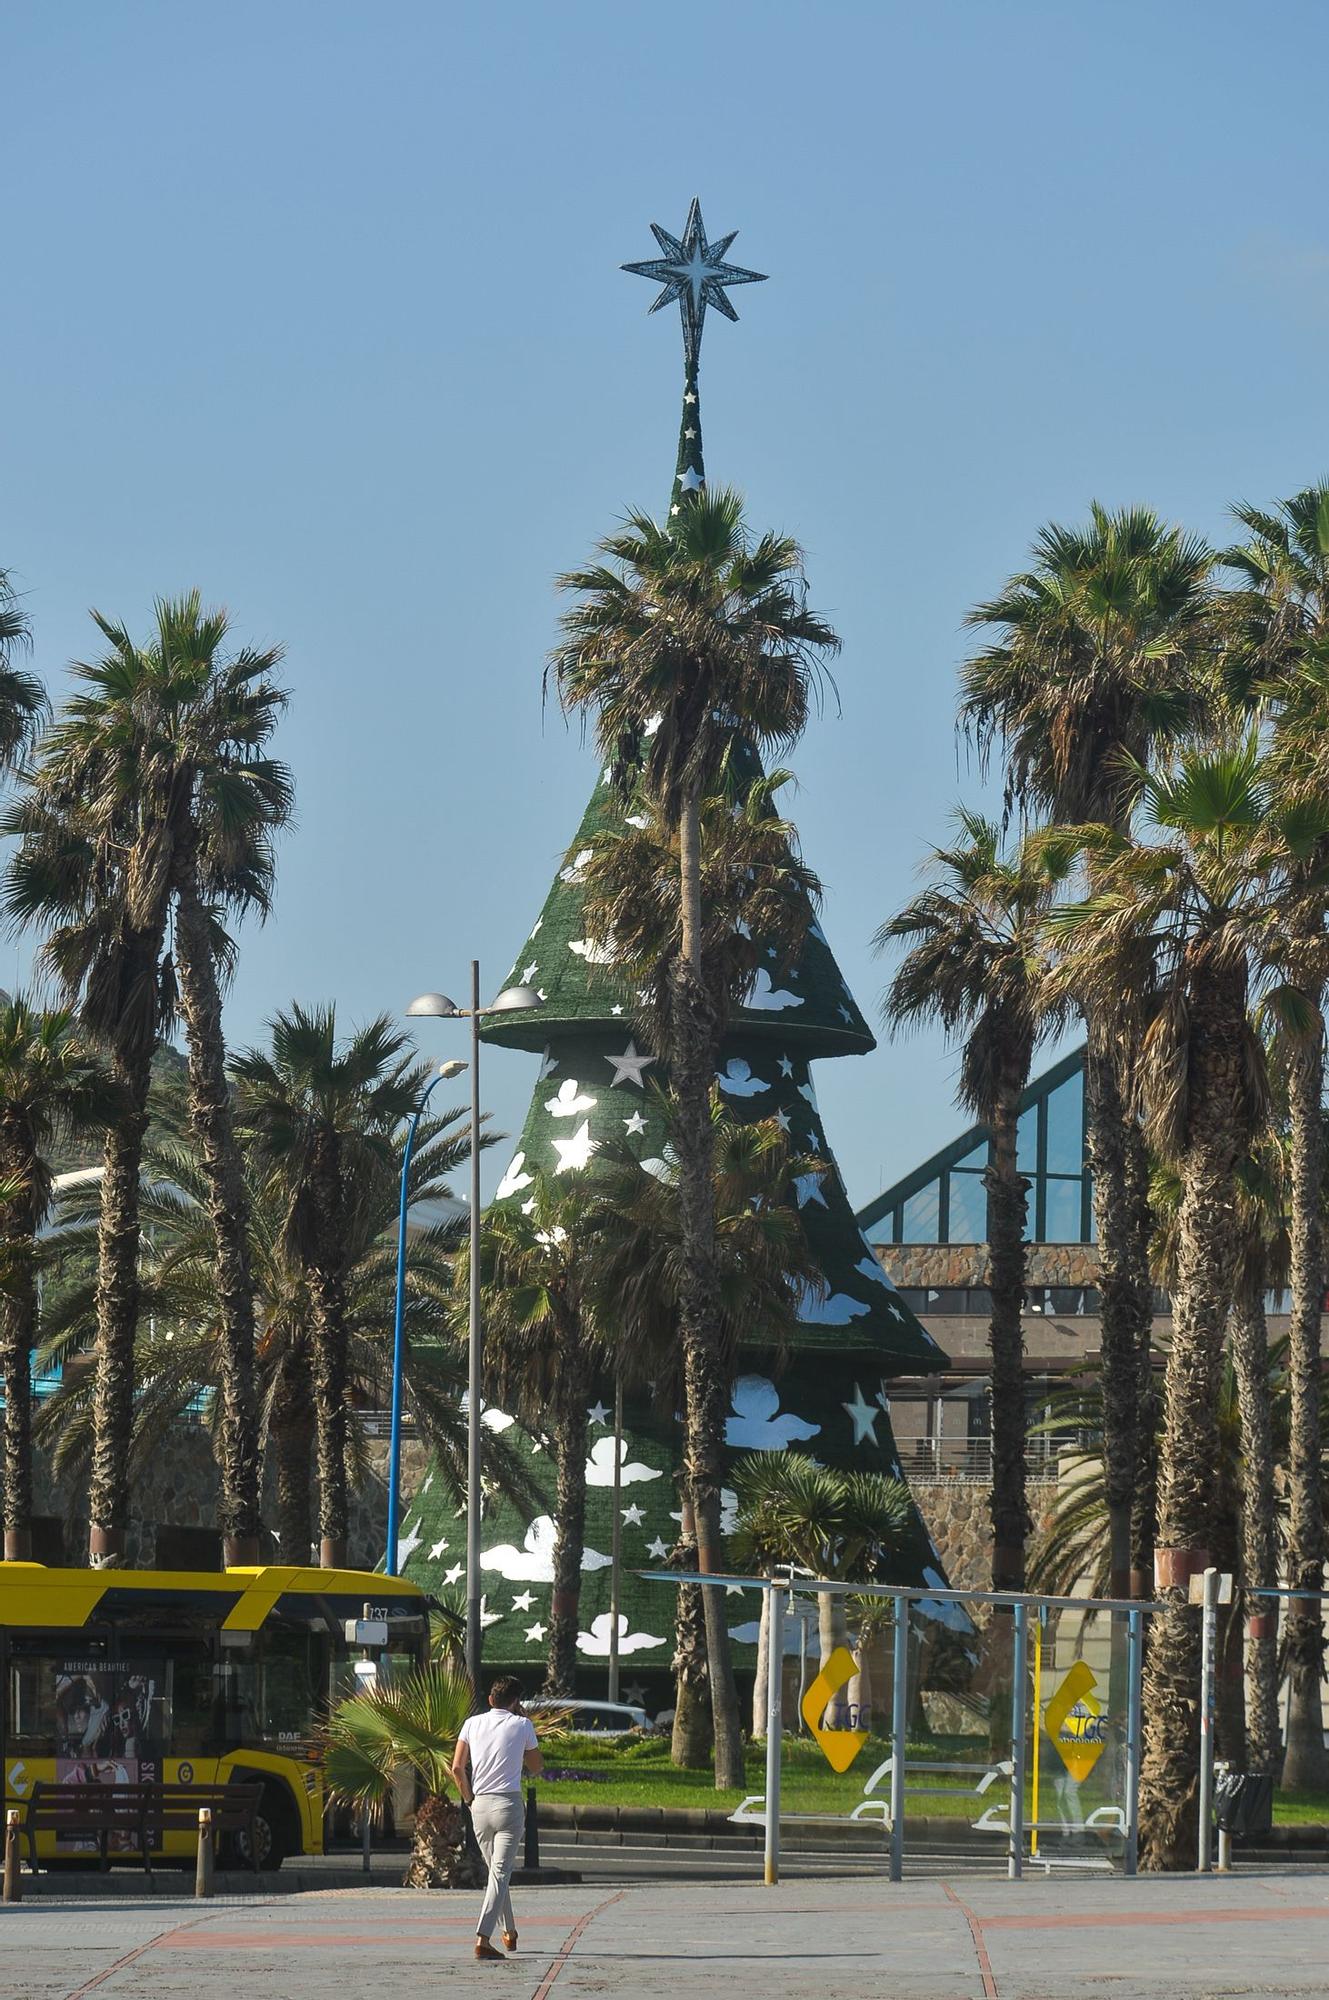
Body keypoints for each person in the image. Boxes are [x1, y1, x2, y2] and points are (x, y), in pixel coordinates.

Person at [450, 1676, 543, 1961]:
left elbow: (457, 1768)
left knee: (495, 1875)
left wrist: (468, 1799)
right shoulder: (522, 1725)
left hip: (479, 1806)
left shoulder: (471, 1724)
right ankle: (482, 1938)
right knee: (500, 1873)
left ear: (491, 1699)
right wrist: (525, 1724)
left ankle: (510, 1932)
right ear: (516, 1702)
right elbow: (537, 1767)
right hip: (508, 1805)